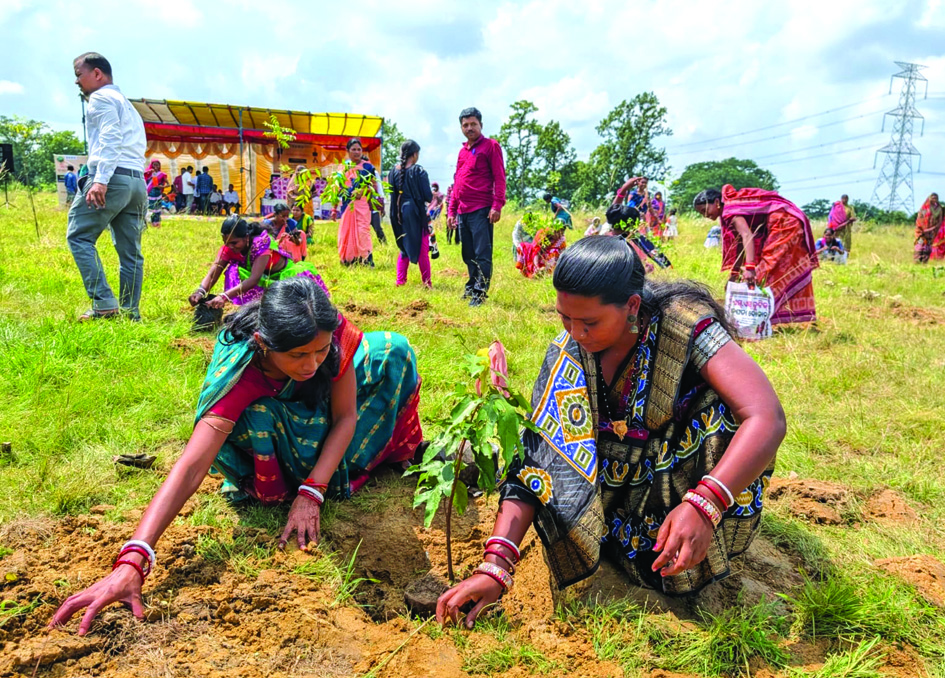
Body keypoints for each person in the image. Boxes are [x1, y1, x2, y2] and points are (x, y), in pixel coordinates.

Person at [436, 236, 784, 627]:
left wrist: (704, 505)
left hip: (686, 486)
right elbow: (536, 459)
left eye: (590, 323)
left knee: (720, 412)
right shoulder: (570, 351)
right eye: (565, 318)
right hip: (616, 498)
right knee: (550, 430)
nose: (576, 333)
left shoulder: (685, 325)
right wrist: (495, 567)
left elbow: (766, 417)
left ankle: (689, 541)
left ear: (632, 306)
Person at [50, 275, 424, 636]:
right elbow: (193, 465)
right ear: (263, 343)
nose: (311, 365)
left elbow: (345, 417)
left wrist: (312, 492)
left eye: (321, 351)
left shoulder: (331, 335)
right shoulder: (242, 371)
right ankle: (288, 469)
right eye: (297, 355)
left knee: (394, 349)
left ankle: (356, 461)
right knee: (259, 415)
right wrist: (134, 558)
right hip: (271, 420)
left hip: (321, 408)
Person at [67, 52, 147, 322]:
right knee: (131, 253)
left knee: (79, 236)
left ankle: (103, 304)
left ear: (97, 74)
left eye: (79, 74)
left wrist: (100, 179)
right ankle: (129, 312)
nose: (76, 81)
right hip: (137, 181)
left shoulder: (100, 98)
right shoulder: (128, 105)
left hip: (113, 178)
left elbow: (110, 136)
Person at [694, 185, 818, 328]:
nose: (705, 216)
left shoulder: (730, 211)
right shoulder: (730, 211)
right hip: (783, 220)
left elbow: (747, 235)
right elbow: (739, 243)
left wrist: (750, 267)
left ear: (716, 202)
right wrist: (734, 275)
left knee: (765, 270)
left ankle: (759, 320)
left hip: (785, 221)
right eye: (701, 213)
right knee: (766, 272)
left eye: (705, 210)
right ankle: (764, 318)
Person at [189, 216, 327, 309]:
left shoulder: (260, 244)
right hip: (263, 279)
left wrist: (224, 296)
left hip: (282, 277)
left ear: (246, 238)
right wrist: (200, 291)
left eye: (234, 242)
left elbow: (254, 279)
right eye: (226, 243)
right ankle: (249, 307)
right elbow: (215, 270)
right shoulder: (230, 247)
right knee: (232, 270)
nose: (230, 246)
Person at [447, 107, 507, 307]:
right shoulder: (462, 152)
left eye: (473, 124)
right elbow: (457, 182)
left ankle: (480, 293)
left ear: (481, 124)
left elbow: (500, 177)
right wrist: (451, 210)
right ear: (461, 127)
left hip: (482, 209)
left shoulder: (491, 146)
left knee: (482, 254)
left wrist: (497, 205)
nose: (469, 128)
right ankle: (472, 285)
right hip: (463, 211)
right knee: (468, 253)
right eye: (465, 125)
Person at [389, 139, 434, 289]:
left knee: (404, 247)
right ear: (415, 155)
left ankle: (400, 281)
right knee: (422, 249)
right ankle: (427, 283)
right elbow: (428, 196)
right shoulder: (419, 171)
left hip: (399, 214)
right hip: (416, 213)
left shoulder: (392, 172)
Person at [331, 138, 381, 267]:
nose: (357, 152)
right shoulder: (342, 168)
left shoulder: (368, 167)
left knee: (363, 231)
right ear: (347, 151)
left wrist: (364, 190)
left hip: (363, 205)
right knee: (347, 232)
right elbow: (336, 189)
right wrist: (334, 208)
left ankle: (367, 260)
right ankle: (349, 260)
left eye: (359, 149)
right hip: (347, 205)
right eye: (353, 149)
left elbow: (374, 187)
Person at [914, 193, 944, 264]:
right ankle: (917, 260)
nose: (934, 199)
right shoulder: (925, 208)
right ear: (929, 199)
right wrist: (923, 228)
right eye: (933, 198)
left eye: (936, 198)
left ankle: (924, 261)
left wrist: (936, 227)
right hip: (922, 231)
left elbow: (940, 219)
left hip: (933, 231)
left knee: (928, 246)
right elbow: (920, 218)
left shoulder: (939, 208)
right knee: (920, 244)